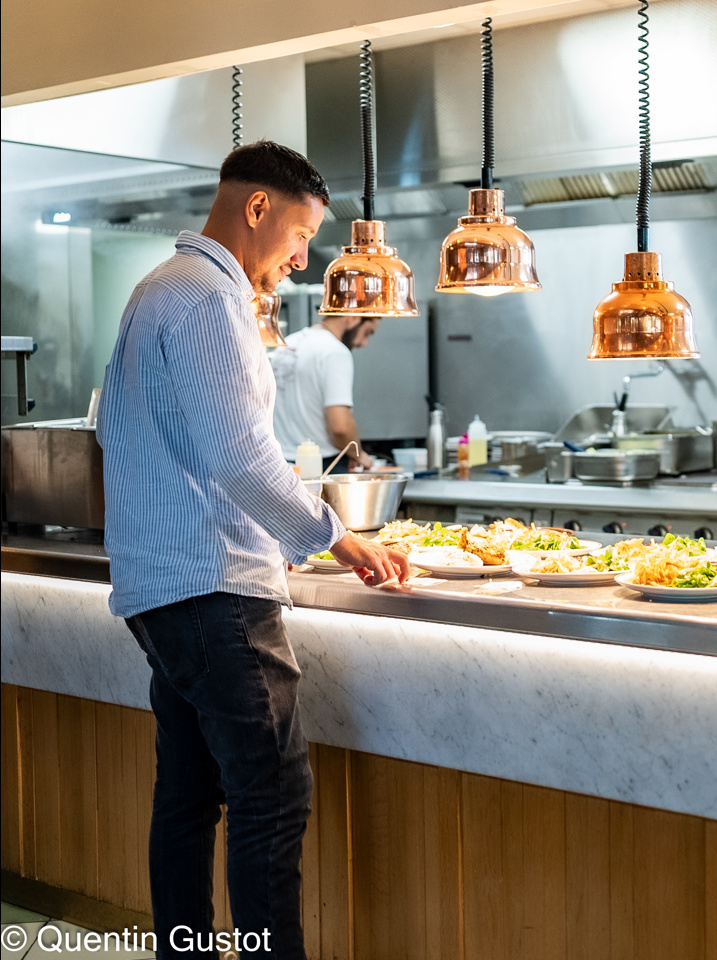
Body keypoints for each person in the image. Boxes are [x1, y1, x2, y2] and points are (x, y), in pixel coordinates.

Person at [97, 140, 409, 956]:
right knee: (270, 799)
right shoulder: (207, 298)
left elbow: (168, 446)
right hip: (214, 592)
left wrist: (289, 531)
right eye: (301, 237)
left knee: (190, 797)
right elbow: (241, 456)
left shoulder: (157, 289)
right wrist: (338, 538)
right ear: (257, 209)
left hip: (162, 589)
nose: (304, 262)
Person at [270, 314, 380, 471]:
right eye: (367, 333)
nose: (364, 343)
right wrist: (358, 454)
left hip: (282, 463)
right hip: (324, 465)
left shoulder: (287, 344)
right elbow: (340, 427)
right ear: (353, 318)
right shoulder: (335, 351)